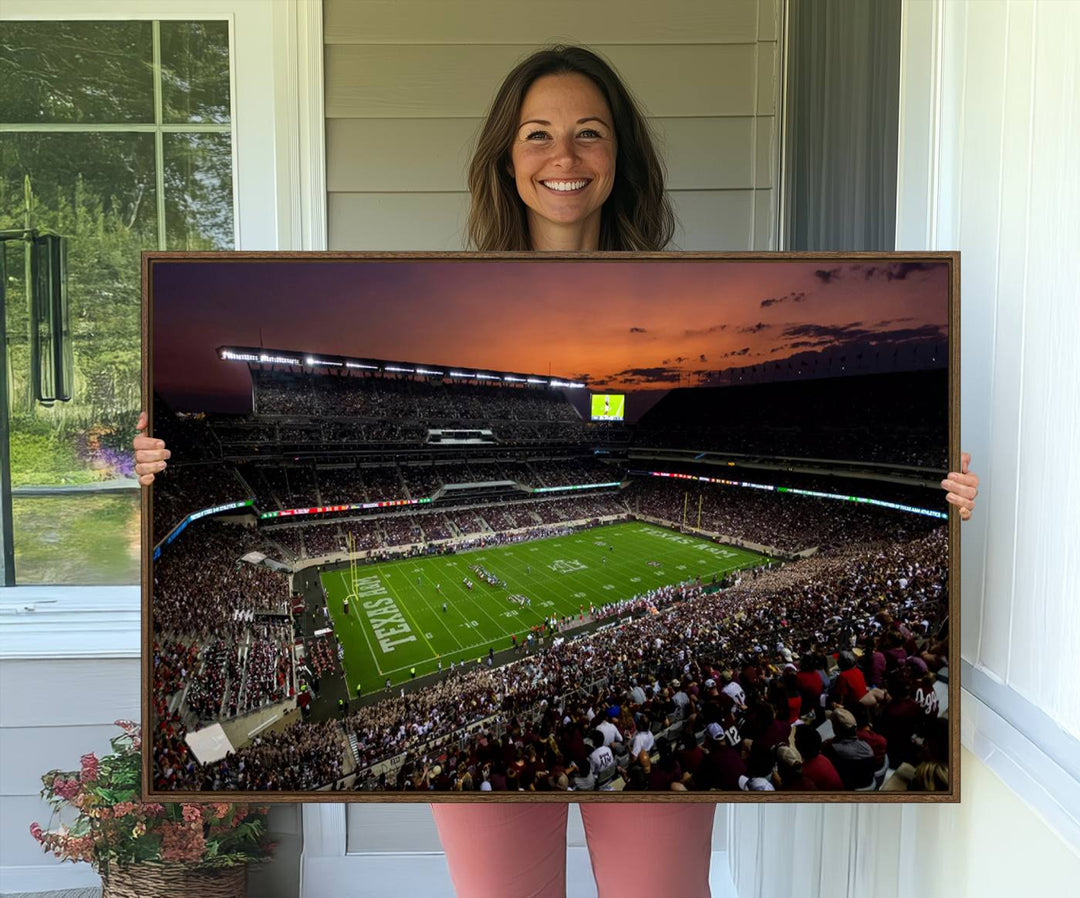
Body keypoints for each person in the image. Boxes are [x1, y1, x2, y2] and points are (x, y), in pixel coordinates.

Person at [135, 43, 980, 898]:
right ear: (506, 157)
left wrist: (946, 496)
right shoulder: (449, 292)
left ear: (622, 157)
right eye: (537, 134)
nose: (563, 157)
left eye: (589, 133)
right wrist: (153, 466)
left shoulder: (674, 295)